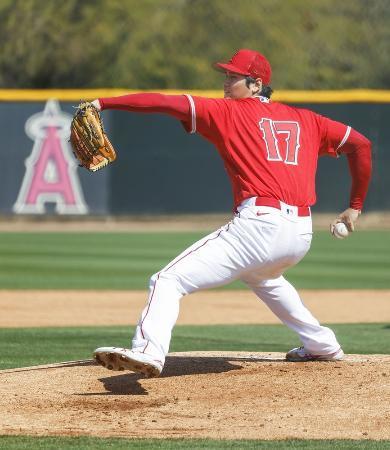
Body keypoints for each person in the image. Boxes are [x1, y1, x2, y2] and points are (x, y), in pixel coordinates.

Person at [93, 49, 372, 378]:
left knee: (167, 280)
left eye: (233, 77)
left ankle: (148, 351)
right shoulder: (307, 119)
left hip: (260, 225)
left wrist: (103, 103)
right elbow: (361, 145)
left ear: (256, 84)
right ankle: (322, 344)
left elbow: (164, 102)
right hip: (299, 232)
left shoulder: (227, 112)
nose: (225, 82)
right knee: (263, 277)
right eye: (225, 75)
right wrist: (355, 207)